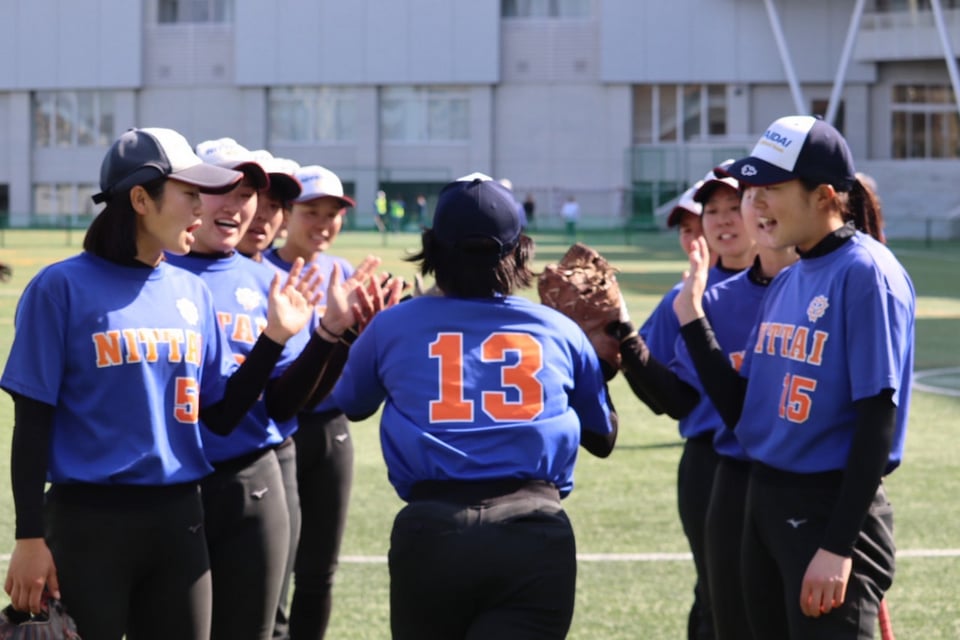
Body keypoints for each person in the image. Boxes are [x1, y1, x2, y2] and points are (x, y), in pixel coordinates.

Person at [0, 127, 318, 639]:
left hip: (179, 521)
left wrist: (274, 339)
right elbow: (32, 424)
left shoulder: (191, 291)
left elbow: (220, 416)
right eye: (190, 194)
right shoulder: (59, 288)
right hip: (88, 523)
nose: (201, 209)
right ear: (141, 200)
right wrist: (29, 538)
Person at [331, 173, 618, 639]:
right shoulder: (559, 329)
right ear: (519, 251)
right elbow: (602, 437)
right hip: (533, 532)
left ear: (432, 247)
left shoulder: (392, 325)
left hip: (433, 531)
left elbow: (352, 403)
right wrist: (604, 357)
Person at [675, 115, 912, 639]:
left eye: (772, 188)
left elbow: (878, 418)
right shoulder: (789, 280)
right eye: (752, 189)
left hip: (829, 508)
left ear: (824, 196)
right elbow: (744, 414)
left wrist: (838, 544)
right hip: (766, 501)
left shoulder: (866, 273)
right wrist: (693, 321)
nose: (755, 203)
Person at [629, 163, 755, 640]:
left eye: (733, 207)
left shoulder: (792, 285)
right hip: (709, 460)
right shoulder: (682, 299)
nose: (721, 220)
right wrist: (622, 337)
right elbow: (668, 397)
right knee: (716, 596)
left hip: (780, 462)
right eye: (711, 211)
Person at [262, 164, 367, 639]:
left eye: (333, 214)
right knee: (272, 571)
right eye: (312, 212)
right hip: (275, 433)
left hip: (330, 431)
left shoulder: (343, 272)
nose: (323, 224)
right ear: (286, 213)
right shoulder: (259, 270)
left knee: (320, 570)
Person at [237, 150, 301, 263]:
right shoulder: (202, 271)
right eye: (253, 202)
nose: (262, 215)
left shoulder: (279, 273)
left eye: (273, 206)